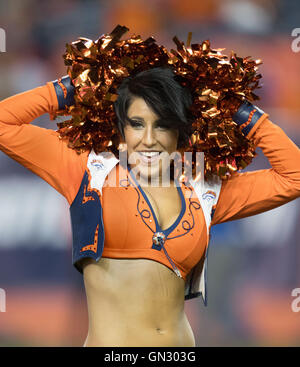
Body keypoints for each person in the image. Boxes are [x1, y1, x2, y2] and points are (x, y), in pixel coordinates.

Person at [0, 66, 299, 347]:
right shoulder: (87, 169)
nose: (148, 139)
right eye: (137, 124)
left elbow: (294, 177)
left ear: (180, 132)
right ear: (121, 127)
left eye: (162, 125)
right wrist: (72, 87)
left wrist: (241, 111)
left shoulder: (204, 187)